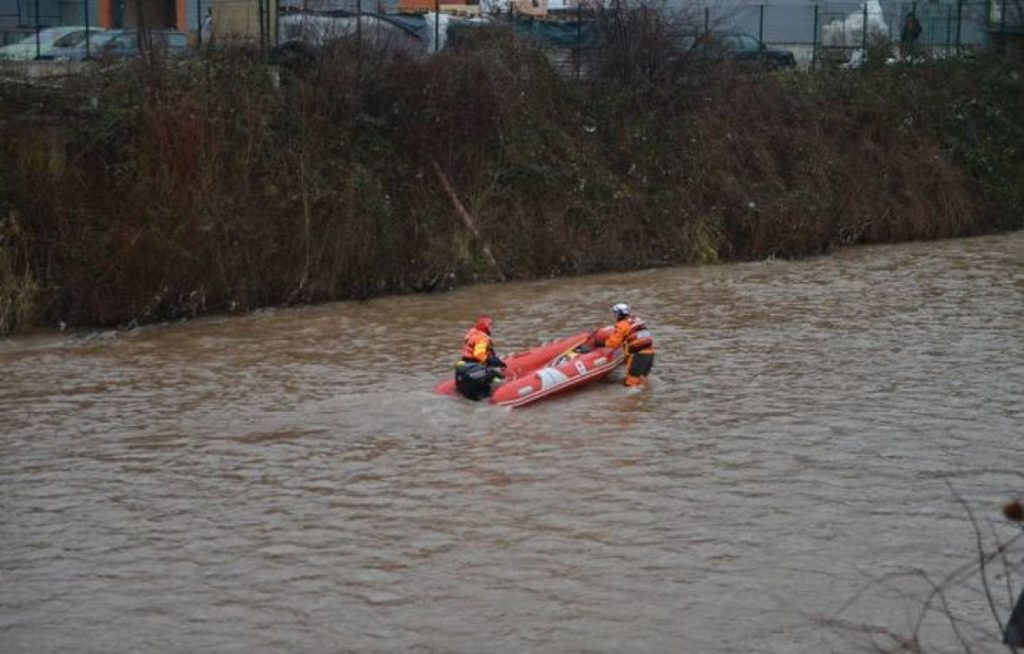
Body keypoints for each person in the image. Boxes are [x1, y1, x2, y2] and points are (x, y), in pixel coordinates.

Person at [598, 303, 655, 387]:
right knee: (641, 380)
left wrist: (602, 343)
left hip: (638, 356)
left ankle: (632, 399)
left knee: (631, 383)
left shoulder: (622, 325)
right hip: (650, 354)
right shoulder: (637, 320)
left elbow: (613, 343)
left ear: (618, 314)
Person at [454, 315, 506, 400]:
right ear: (485, 328)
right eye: (490, 326)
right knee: (498, 376)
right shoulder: (482, 338)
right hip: (475, 365)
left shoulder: (472, 333)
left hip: (465, 363)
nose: (491, 328)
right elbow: (479, 354)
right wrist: (490, 361)